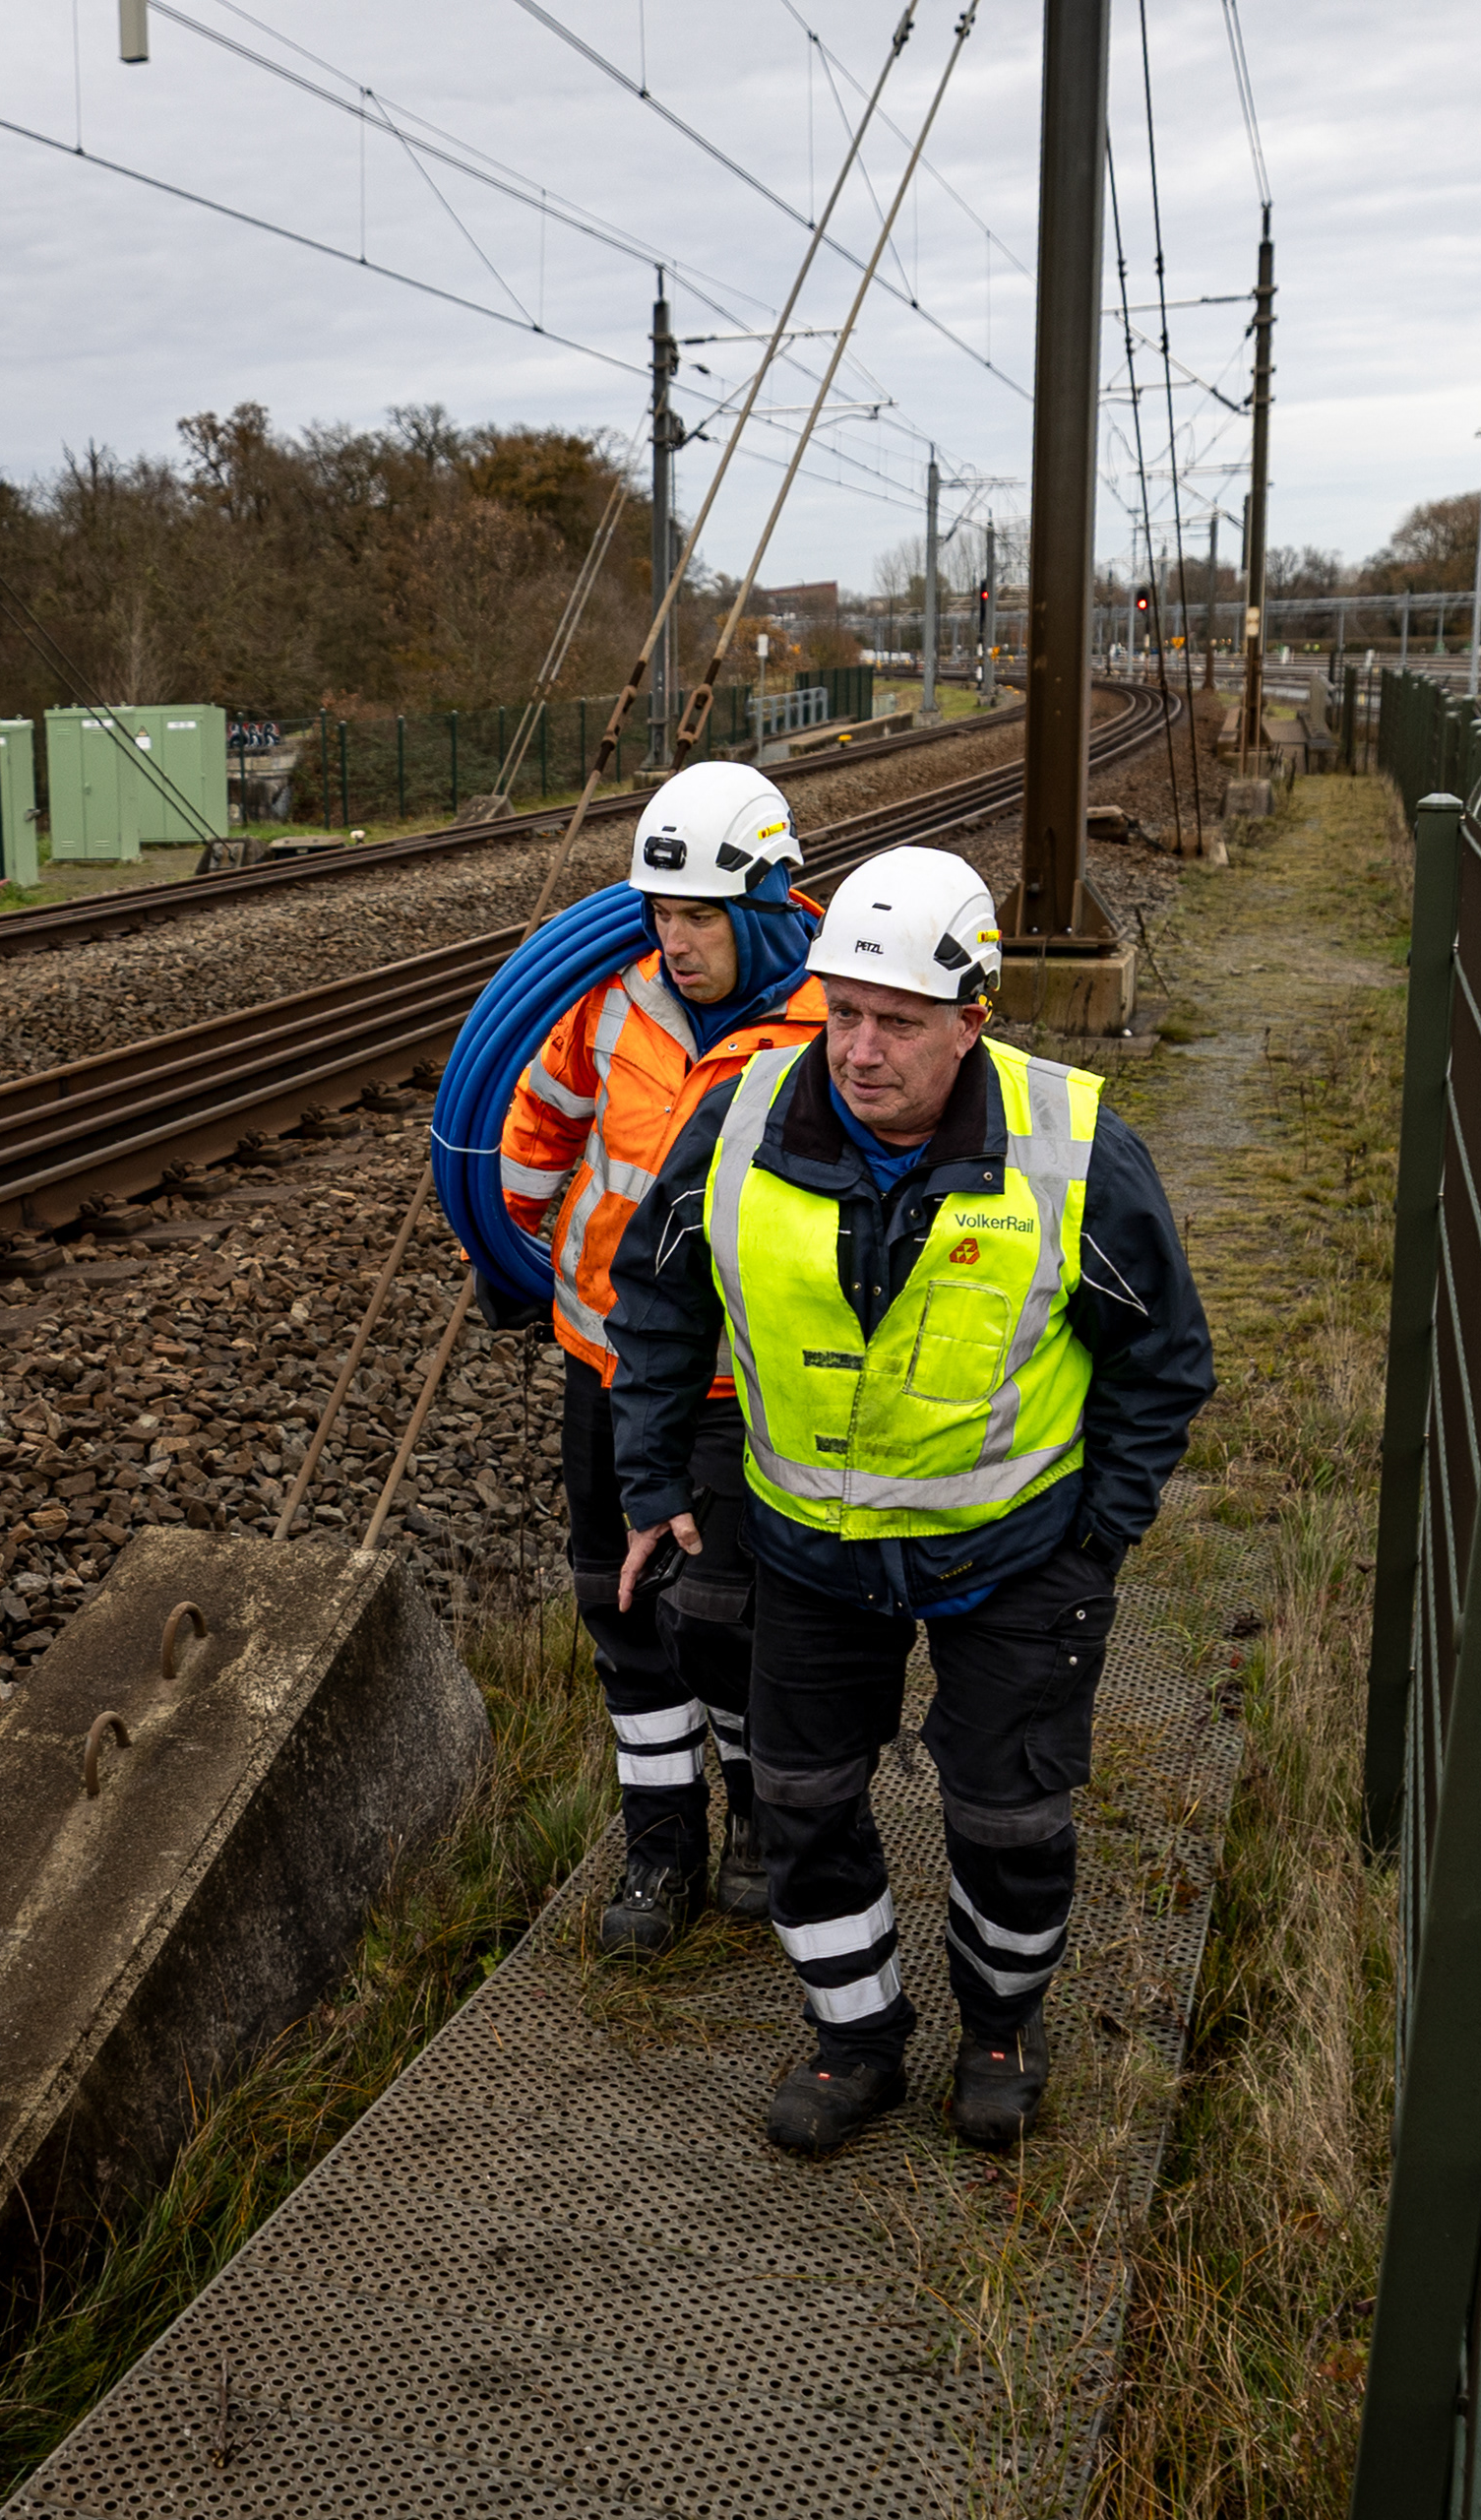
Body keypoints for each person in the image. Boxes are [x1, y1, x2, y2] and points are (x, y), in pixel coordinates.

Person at [604, 845, 1213, 2155]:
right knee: (808, 1800)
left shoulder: (1075, 1151)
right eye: (842, 1015)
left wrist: (1098, 1538)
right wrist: (652, 1477)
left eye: (896, 1022)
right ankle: (855, 2038)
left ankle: (1000, 2027)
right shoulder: (747, 1120)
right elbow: (657, 1298)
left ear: (970, 1023)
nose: (859, 1051)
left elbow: (1164, 1360)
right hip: (812, 1561)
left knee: (1007, 1815)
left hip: (1014, 1562)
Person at [498, 759, 825, 1955]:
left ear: (763, 906)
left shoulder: (832, 1028)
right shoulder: (613, 1001)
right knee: (619, 1602)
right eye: (663, 914)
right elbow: (538, 1118)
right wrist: (509, 1240)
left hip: (742, 1383)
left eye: (700, 917)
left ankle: (752, 1817)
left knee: (727, 1615)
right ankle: (660, 1842)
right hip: (605, 1355)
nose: (675, 942)